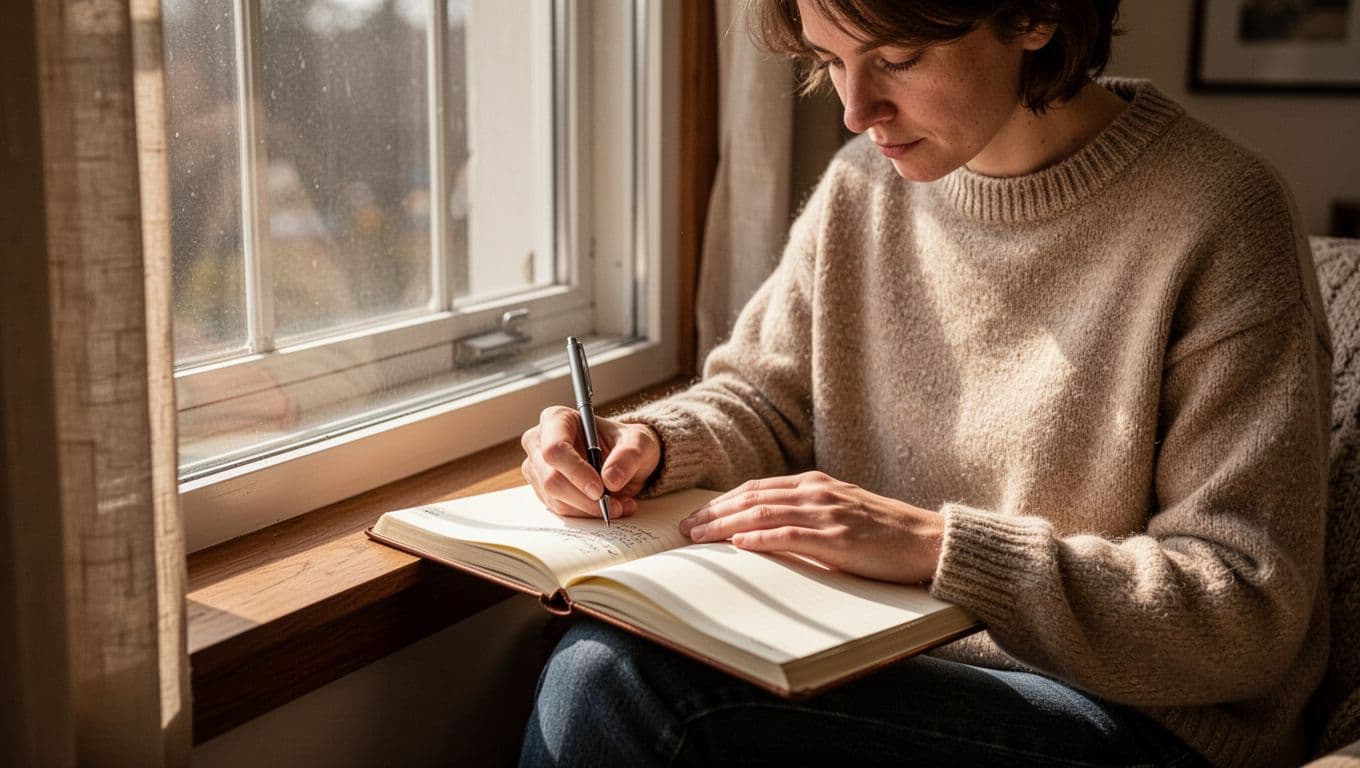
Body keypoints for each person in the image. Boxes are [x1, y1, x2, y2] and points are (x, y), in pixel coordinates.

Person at [517, 0, 1333, 765]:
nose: (855, 108)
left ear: (1035, 15)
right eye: (830, 62)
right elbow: (766, 398)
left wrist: (935, 547)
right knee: (590, 649)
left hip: (1134, 718)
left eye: (897, 58)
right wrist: (650, 445)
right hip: (878, 655)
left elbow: (1244, 607)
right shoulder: (861, 189)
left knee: (619, 685)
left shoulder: (1221, 215)